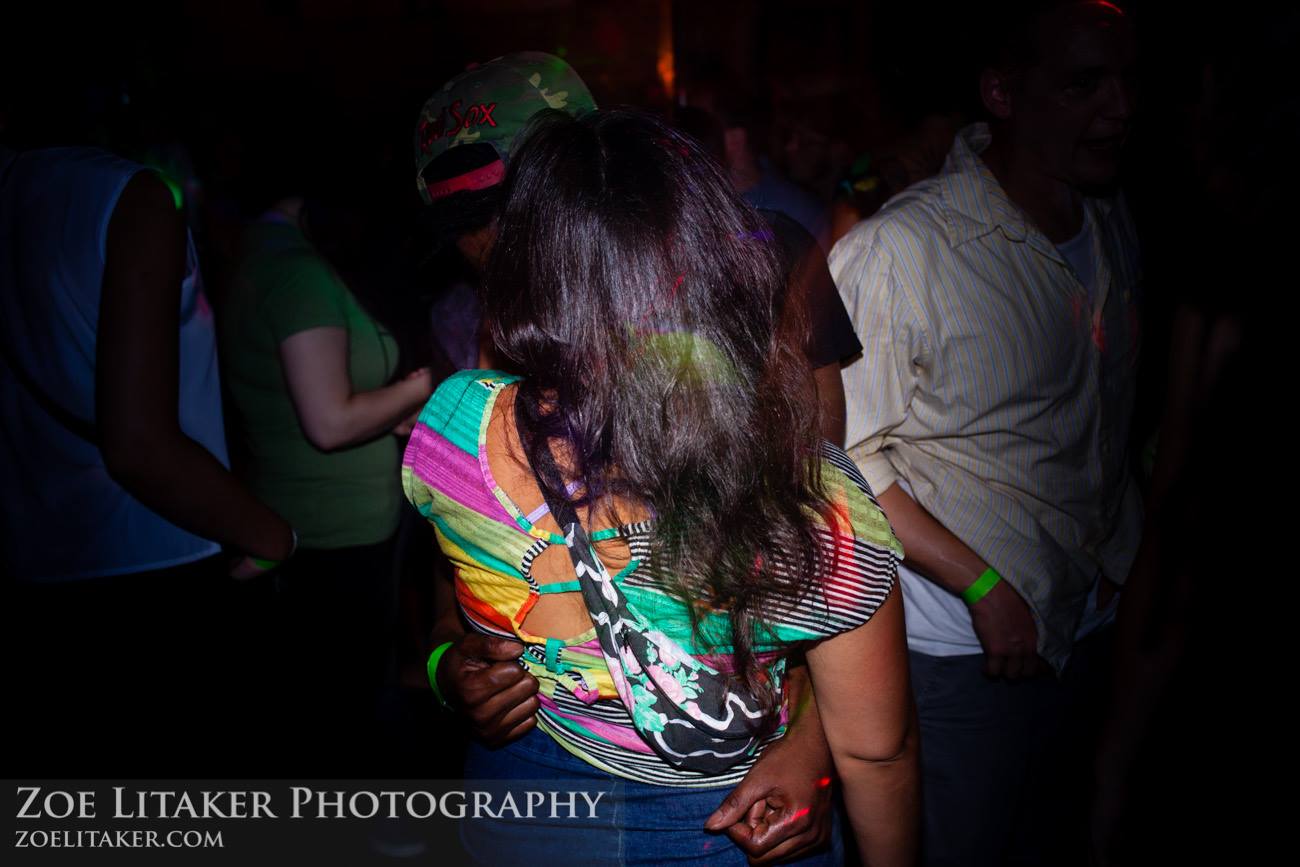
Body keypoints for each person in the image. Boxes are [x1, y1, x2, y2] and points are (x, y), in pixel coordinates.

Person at [403, 108, 917, 865]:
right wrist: (449, 667)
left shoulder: (452, 430)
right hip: (724, 822)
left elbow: (459, 588)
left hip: (523, 806)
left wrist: (443, 665)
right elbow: (875, 750)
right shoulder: (811, 500)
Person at [830, 1, 1140, 863]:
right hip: (961, 655)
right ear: (1003, 92)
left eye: (1128, 81)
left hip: (1084, 631)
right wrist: (983, 586)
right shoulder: (901, 251)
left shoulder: (1112, 221)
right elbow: (840, 456)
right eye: (1083, 85)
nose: (1118, 108)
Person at [0, 146, 294, 772]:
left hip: (35, 546)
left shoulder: (18, 184)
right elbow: (138, 446)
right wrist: (272, 535)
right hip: (156, 553)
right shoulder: (133, 196)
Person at [218, 150, 434, 765]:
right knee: (345, 716)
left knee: (330, 705)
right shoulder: (297, 274)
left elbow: (307, 402)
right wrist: (424, 384)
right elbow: (329, 422)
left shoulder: (259, 253)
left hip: (308, 521)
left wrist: (387, 411)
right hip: (336, 535)